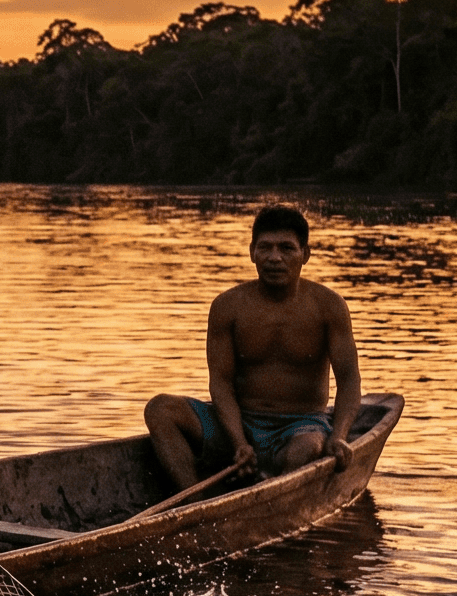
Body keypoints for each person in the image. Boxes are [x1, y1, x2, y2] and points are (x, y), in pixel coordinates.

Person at [144, 204, 363, 489]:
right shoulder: (228, 306)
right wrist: (239, 442)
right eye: (265, 248)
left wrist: (339, 436)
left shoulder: (329, 306)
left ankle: (270, 490)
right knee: (160, 409)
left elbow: (349, 380)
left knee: (308, 449)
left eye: (286, 248)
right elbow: (220, 383)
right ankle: (194, 502)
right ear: (252, 253)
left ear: (305, 254)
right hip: (240, 423)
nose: (274, 258)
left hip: (301, 426)